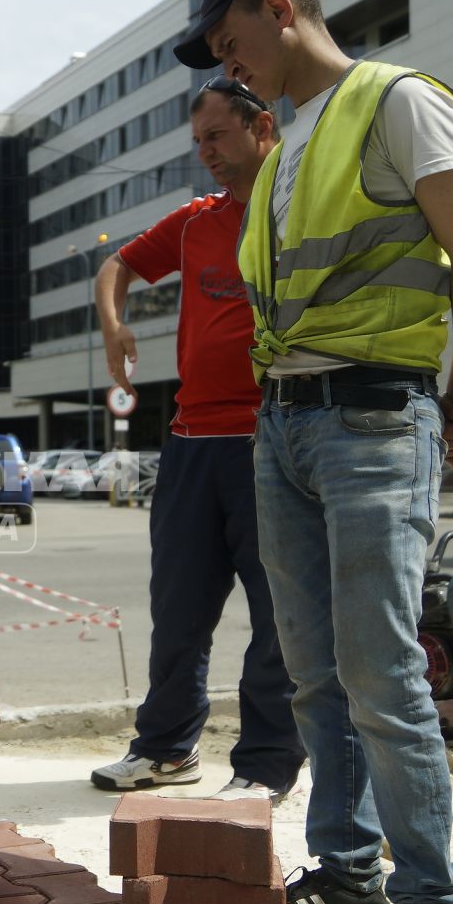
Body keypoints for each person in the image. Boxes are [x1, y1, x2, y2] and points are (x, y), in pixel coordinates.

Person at [177, 0, 453, 904]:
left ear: (279, 10)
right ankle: (348, 870)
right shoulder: (279, 155)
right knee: (313, 668)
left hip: (372, 416)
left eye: (233, 46)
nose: (232, 71)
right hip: (281, 429)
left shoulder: (396, 102)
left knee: (379, 669)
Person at [89, 78, 303, 805]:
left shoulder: (298, 209)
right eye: (199, 142)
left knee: (277, 616)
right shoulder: (194, 222)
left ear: (261, 125)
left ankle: (268, 762)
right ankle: (166, 749)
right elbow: (115, 265)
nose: (206, 153)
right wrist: (115, 324)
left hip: (268, 440)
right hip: (190, 443)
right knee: (178, 608)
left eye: (216, 137)